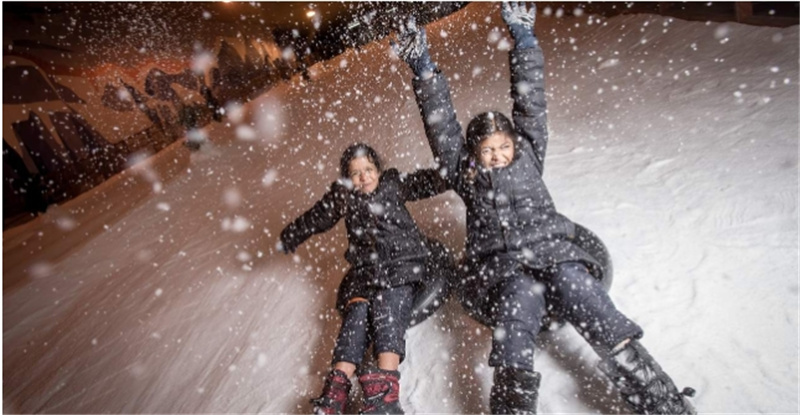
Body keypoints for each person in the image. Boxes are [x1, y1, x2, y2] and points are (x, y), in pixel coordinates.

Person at [392, 3, 697, 414]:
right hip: (505, 271)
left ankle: (662, 402)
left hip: (555, 254)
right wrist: (424, 69)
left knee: (593, 304)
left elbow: (530, 99)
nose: (498, 155)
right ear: (473, 153)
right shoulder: (463, 172)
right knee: (514, 334)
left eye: (504, 146)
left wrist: (524, 39)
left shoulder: (530, 154)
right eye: (488, 150)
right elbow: (442, 124)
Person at [279, 143, 449, 414]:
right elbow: (318, 217)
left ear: (379, 170)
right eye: (356, 173)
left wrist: (456, 173)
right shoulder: (345, 196)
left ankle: (384, 396)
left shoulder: (393, 184)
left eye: (369, 169)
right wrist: (291, 234)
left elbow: (425, 182)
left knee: (386, 306)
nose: (364, 177)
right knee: (356, 315)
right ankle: (335, 391)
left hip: (401, 264)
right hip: (365, 272)